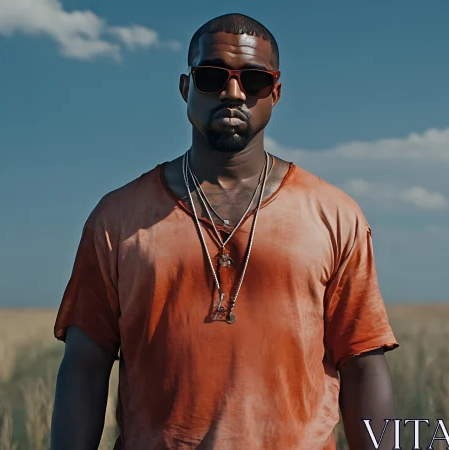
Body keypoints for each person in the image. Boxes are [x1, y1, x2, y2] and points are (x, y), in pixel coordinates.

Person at [50, 12, 399, 450]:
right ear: (185, 88)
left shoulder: (334, 215)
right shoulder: (118, 219)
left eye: (253, 81)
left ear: (275, 93)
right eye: (212, 77)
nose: (233, 93)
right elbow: (86, 363)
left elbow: (362, 362)